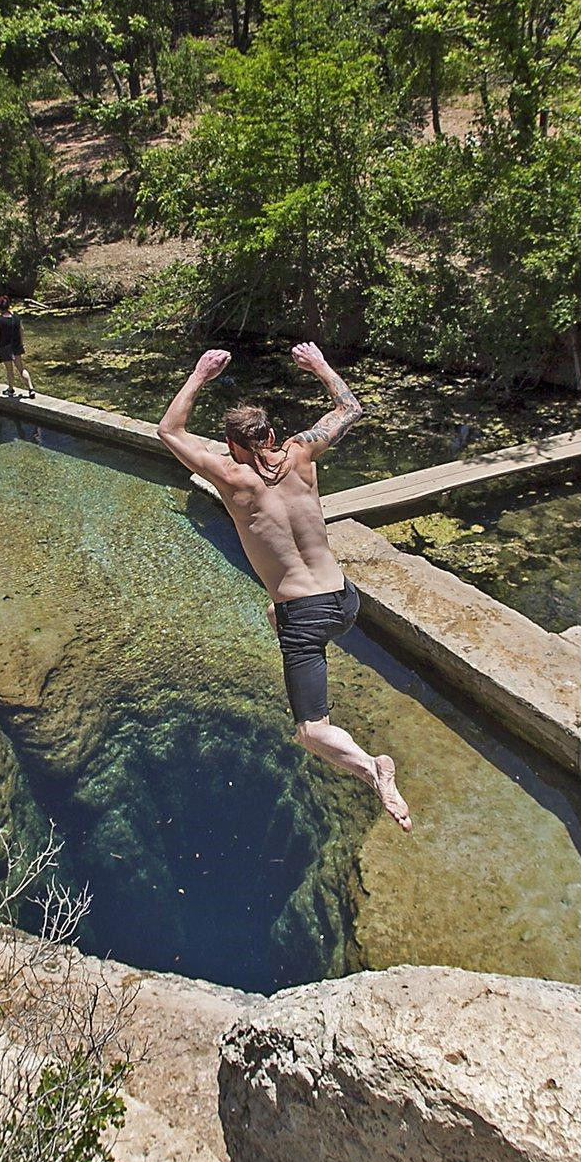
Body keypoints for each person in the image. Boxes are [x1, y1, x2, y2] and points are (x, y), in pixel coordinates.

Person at [157, 342, 410, 831]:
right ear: (272, 434)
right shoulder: (302, 451)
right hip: (344, 599)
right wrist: (319, 365)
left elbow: (169, 431)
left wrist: (198, 374)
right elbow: (350, 408)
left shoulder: (231, 478)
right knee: (278, 614)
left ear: (231, 445)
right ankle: (284, 622)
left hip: (306, 616)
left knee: (311, 731)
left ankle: (371, 769)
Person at [0, 296, 34, 398]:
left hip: (5, 348)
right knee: (21, 369)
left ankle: (11, 389)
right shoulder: (17, 318)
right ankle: (31, 388)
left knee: (9, 370)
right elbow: (21, 331)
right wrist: (21, 343)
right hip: (16, 346)